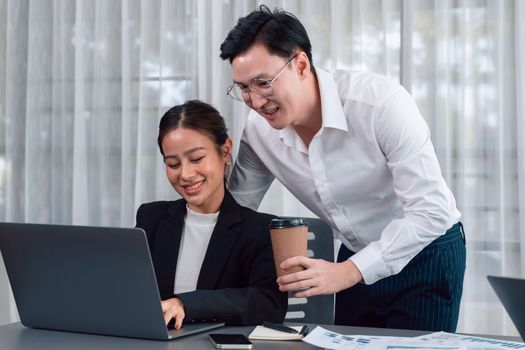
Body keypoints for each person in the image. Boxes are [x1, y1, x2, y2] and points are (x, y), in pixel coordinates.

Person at [219, 5, 466, 332]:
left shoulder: (381, 105)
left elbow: (430, 211)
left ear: (301, 63)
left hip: (426, 251)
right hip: (355, 253)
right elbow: (237, 211)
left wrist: (347, 272)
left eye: (263, 82)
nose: (255, 100)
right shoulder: (259, 132)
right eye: (244, 88)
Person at [135, 100, 287, 329]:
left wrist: (186, 304)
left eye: (196, 159)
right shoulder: (151, 217)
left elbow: (268, 305)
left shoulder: (260, 229)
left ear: (225, 151)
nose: (185, 174)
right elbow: (132, 289)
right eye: (173, 164)